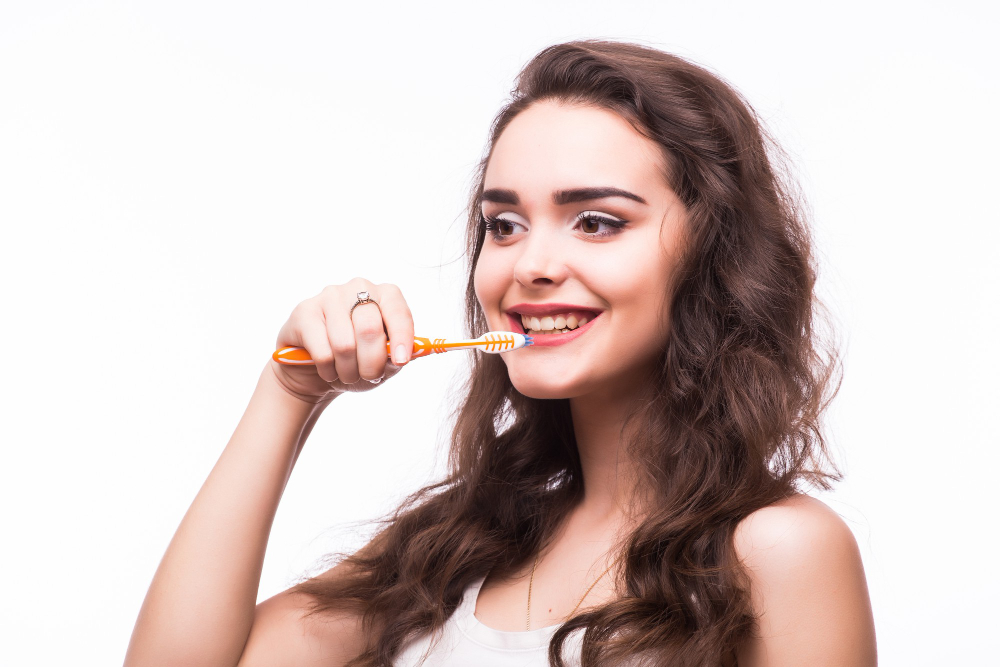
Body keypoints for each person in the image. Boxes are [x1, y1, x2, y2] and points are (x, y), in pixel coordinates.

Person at [125, 40, 877, 666]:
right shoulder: (458, 548)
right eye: (505, 223)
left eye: (595, 221)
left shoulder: (780, 551)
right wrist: (287, 393)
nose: (530, 264)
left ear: (711, 256)